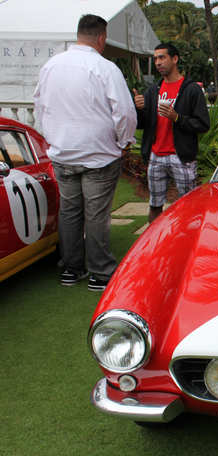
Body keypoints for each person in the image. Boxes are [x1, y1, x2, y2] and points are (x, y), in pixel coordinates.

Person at [33, 14, 137, 291]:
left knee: (70, 212)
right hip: (99, 154)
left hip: (63, 152)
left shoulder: (51, 66)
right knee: (96, 214)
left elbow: (39, 108)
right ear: (101, 38)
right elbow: (125, 112)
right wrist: (125, 141)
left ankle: (71, 268)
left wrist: (53, 139)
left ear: (79, 34)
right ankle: (100, 273)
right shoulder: (105, 68)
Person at [133, 43, 210, 223]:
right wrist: (139, 109)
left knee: (188, 204)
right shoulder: (153, 91)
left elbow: (203, 124)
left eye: (162, 57)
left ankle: (187, 241)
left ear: (175, 59)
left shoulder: (191, 90)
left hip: (181, 157)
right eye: (156, 59)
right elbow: (142, 124)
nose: (158, 63)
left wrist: (178, 118)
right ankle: (155, 245)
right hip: (156, 157)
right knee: (154, 205)